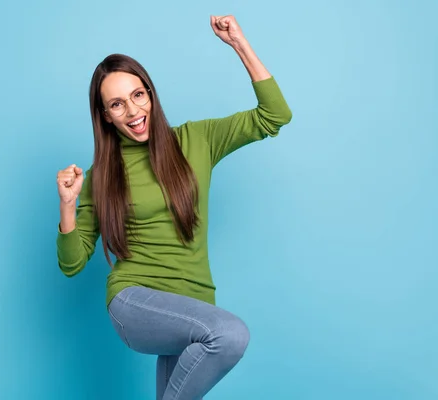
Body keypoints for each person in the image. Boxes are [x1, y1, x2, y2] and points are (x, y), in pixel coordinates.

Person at [55, 15, 292, 400]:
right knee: (229, 334)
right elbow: (72, 263)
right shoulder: (100, 176)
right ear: (105, 115)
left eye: (138, 95)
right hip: (134, 301)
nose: (132, 111)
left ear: (150, 93)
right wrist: (67, 205)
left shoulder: (197, 140)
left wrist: (240, 44)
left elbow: (275, 115)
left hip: (193, 304)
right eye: (117, 104)